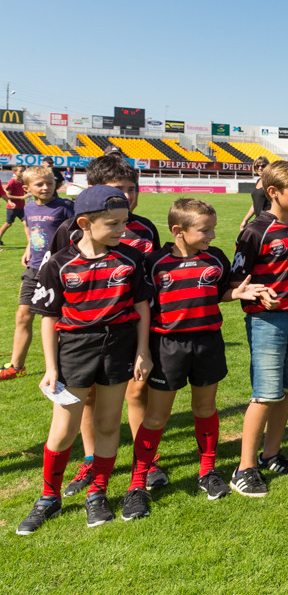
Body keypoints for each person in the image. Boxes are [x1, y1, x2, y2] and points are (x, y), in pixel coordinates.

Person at [17, 186, 153, 534]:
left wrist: (142, 350)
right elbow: (48, 317)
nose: (122, 230)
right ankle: (49, 496)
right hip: (74, 349)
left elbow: (141, 307)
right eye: (113, 223)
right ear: (85, 223)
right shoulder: (59, 263)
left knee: (108, 425)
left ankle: (97, 493)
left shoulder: (129, 259)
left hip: (118, 347)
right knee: (62, 431)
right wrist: (51, 367)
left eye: (124, 221)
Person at [123, 198, 268, 519]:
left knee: (204, 408)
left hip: (208, 343)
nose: (212, 235)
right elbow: (142, 308)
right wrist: (143, 351)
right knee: (156, 417)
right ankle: (137, 484)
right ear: (178, 231)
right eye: (205, 230)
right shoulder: (155, 263)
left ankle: (208, 472)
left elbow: (219, 292)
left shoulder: (215, 258)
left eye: (212, 228)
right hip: (167, 346)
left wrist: (237, 293)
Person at [47, 156, 163, 497]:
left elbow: (148, 283)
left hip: (131, 329)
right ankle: (89, 457)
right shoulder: (72, 230)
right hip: (82, 335)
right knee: (88, 396)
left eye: (132, 189)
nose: (127, 196)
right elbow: (59, 283)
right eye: (118, 190)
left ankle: (147, 460)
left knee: (137, 389)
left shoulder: (144, 229)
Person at [230, 160, 288, 496]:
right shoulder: (254, 231)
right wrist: (258, 296)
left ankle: (271, 454)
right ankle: (244, 468)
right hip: (268, 322)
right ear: (274, 192)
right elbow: (238, 279)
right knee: (265, 394)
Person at [1, 166, 73, 381]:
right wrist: (28, 248)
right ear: (27, 188)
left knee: (56, 320)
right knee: (23, 316)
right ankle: (16, 366)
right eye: (39, 184)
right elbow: (33, 232)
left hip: (58, 271)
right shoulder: (29, 208)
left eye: (49, 183)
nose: (45, 187)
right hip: (33, 269)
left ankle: (62, 366)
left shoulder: (67, 207)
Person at [238, 157, 271, 232]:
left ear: (268, 167)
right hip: (259, 219)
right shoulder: (258, 181)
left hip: (268, 221)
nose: (260, 168)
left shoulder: (271, 181)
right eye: (257, 166)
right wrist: (245, 220)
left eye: (263, 166)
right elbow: (255, 203)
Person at [0, 163, 25, 245]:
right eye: (20, 171)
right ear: (14, 172)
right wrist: (21, 197)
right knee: (8, 224)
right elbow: (7, 194)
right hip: (12, 208)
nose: (22, 173)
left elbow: (24, 191)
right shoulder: (12, 182)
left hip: (22, 207)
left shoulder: (22, 181)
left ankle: (32, 243)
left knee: (26, 223)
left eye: (23, 171)